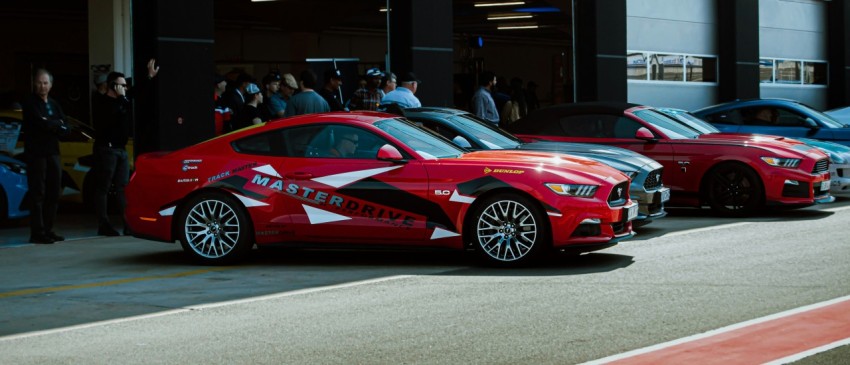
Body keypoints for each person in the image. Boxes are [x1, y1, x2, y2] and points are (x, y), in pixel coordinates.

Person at [91, 61, 159, 236]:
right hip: (106, 149)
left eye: (125, 86)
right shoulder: (102, 102)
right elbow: (110, 118)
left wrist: (149, 77)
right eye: (121, 86)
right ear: (112, 86)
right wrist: (122, 99)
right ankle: (103, 224)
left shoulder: (124, 99)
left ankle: (128, 223)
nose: (124, 89)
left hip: (120, 149)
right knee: (103, 187)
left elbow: (137, 92)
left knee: (123, 187)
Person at [21, 69, 67, 244]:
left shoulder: (54, 104)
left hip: (53, 152)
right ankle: (37, 232)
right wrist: (55, 124)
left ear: (51, 85)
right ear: (34, 83)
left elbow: (65, 125)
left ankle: (48, 229)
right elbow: (40, 123)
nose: (42, 86)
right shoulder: (30, 103)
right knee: (38, 192)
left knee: (54, 191)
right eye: (39, 82)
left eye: (45, 83)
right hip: (36, 153)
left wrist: (53, 124)